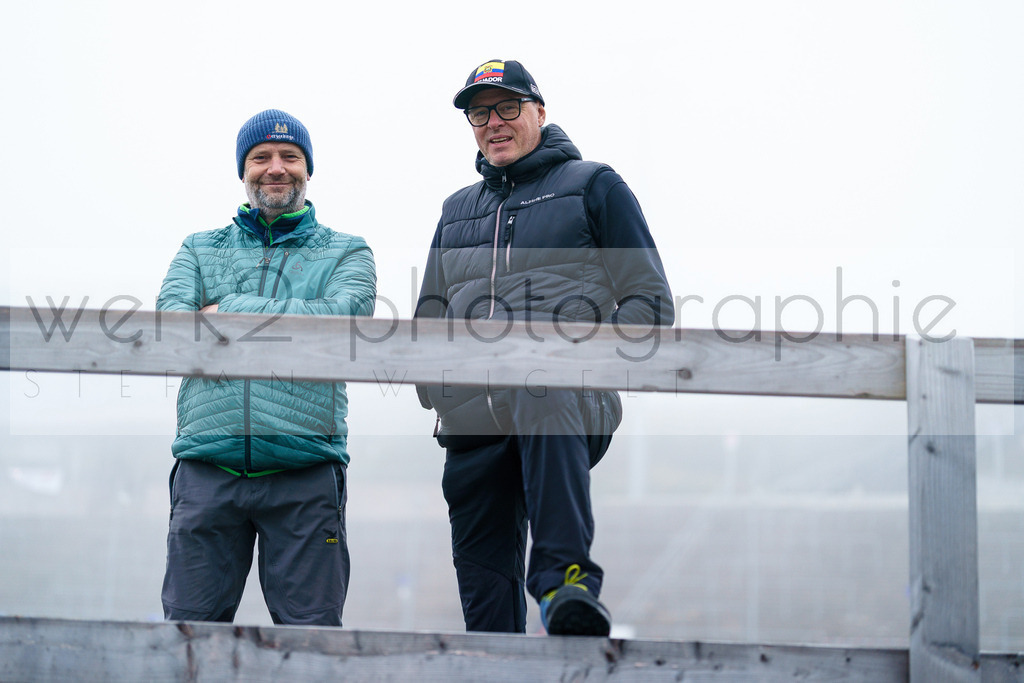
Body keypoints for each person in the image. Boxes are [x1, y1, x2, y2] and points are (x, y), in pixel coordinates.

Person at [415, 60, 673, 636]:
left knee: (541, 377)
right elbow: (429, 314)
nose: (493, 123)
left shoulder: (593, 186)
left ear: (540, 112)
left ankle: (566, 584)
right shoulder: (456, 210)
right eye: (480, 113)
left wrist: (580, 359)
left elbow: (649, 302)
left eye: (508, 107)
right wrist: (438, 391)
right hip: (472, 419)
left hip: (563, 400)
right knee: (485, 612)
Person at [157, 109, 376, 625]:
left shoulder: (348, 252)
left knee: (312, 646)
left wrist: (227, 311)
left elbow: (341, 321)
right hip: (208, 466)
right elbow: (171, 327)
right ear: (243, 171)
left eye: (289, 157)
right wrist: (286, 316)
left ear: (307, 169)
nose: (275, 167)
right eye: (261, 157)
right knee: (189, 641)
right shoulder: (199, 247)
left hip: (305, 469)